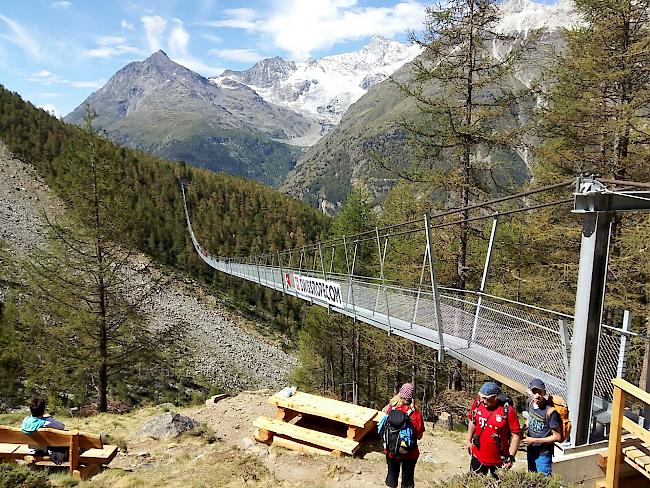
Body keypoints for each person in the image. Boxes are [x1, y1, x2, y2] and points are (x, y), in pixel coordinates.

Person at [466, 381, 521, 476]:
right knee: (474, 482)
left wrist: (511, 457)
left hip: (499, 460)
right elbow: (472, 421)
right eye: (481, 397)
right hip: (477, 456)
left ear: (495, 397)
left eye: (486, 398)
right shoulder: (478, 404)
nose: (482, 400)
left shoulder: (507, 410)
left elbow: (516, 435)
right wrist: (468, 440)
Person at [382, 383, 425, 488]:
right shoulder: (416, 414)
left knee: (391, 476)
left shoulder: (391, 409)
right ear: (412, 397)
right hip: (410, 453)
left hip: (391, 450)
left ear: (399, 394)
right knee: (408, 480)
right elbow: (419, 436)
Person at [521, 379, 561, 476]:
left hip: (543, 454)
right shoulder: (529, 403)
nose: (537, 395)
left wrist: (534, 440)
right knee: (532, 478)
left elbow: (557, 437)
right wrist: (522, 429)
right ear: (530, 392)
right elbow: (531, 418)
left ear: (544, 393)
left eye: (540, 392)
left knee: (543, 481)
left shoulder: (551, 412)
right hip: (531, 450)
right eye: (534, 392)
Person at [21, 397, 68, 464]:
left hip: (32, 448)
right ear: (43, 410)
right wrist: (50, 418)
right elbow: (62, 427)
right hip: (44, 449)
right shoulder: (47, 422)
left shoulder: (26, 420)